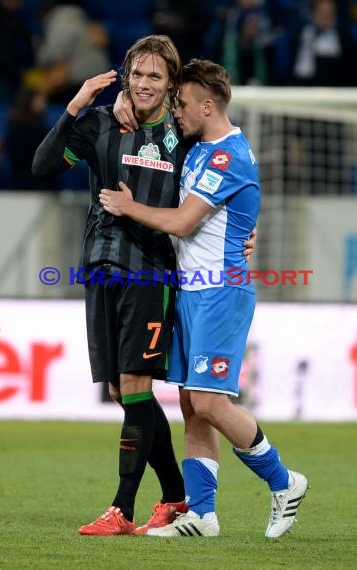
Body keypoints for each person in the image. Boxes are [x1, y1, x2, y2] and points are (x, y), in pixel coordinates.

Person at [32, 34, 256, 537]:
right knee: (122, 391)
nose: (145, 84)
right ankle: (176, 496)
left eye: (156, 76)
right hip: (98, 266)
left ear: (171, 84)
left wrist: (247, 228)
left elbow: (226, 188)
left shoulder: (188, 140)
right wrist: (74, 106)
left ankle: (122, 508)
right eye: (137, 74)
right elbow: (43, 167)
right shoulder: (100, 123)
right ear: (125, 75)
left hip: (152, 272)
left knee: (135, 386)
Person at [100, 58, 308, 539]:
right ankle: (203, 514)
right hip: (190, 291)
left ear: (208, 105)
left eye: (185, 104)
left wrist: (128, 206)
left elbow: (181, 222)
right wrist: (121, 100)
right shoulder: (197, 150)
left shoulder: (227, 156)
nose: (177, 111)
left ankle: (284, 482)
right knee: (191, 404)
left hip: (221, 290)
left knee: (211, 403)